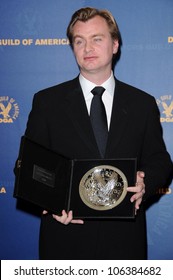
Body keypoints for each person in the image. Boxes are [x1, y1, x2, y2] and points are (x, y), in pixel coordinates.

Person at [15, 7, 172, 259]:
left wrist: (146, 182)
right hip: (64, 240)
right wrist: (49, 203)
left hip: (125, 244)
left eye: (97, 39)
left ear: (115, 45)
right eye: (80, 41)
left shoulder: (142, 103)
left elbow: (160, 160)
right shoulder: (47, 102)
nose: (87, 48)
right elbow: (27, 167)